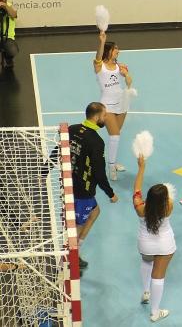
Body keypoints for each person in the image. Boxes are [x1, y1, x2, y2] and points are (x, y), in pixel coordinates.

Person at [68, 102, 118, 270]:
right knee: (77, 224)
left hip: (69, 183)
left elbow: (58, 149)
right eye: (104, 116)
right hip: (84, 190)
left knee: (95, 212)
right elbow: (99, 173)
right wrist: (110, 193)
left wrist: (45, 170)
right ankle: (71, 259)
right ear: (96, 117)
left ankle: (76, 250)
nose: (105, 119)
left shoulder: (72, 129)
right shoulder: (96, 141)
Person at [132, 156, 175, 322]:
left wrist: (141, 168)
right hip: (165, 244)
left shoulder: (140, 207)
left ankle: (145, 292)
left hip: (145, 244)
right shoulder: (168, 206)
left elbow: (136, 190)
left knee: (146, 262)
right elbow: (167, 198)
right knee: (158, 277)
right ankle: (155, 312)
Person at [94, 30, 133, 181]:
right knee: (115, 136)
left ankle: (113, 162)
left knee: (115, 134)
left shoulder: (120, 66)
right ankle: (110, 168)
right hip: (107, 105)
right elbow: (98, 56)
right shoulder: (99, 66)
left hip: (122, 102)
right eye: (115, 48)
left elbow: (129, 84)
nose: (118, 50)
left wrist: (126, 75)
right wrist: (102, 42)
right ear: (108, 51)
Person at [0, 0, 19, 69]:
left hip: (7, 38)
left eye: (2, 0)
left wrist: (5, 6)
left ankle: (8, 59)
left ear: (6, 0)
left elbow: (14, 14)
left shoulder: (10, 6)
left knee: (12, 50)